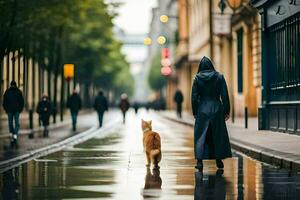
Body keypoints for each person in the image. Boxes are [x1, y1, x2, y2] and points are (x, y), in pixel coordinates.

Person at [191, 56, 232, 171]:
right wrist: (226, 111)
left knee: (201, 136)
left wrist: (195, 112)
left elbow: (194, 97)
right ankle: (218, 160)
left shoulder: (197, 78)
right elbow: (225, 95)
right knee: (217, 135)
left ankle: (199, 162)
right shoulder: (219, 77)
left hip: (202, 110)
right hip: (216, 108)